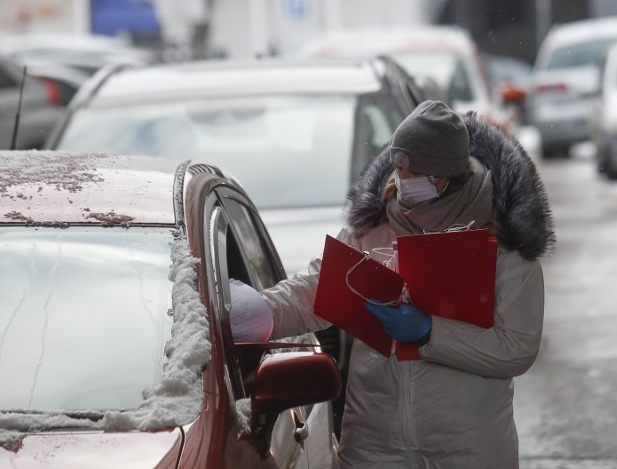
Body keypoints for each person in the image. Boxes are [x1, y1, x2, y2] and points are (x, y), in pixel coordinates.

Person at [236, 100, 555, 468]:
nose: (402, 178)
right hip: (374, 442)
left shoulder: (501, 241)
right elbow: (315, 289)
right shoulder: (374, 226)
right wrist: (262, 311)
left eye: (414, 169)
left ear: (447, 175)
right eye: (398, 165)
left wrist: (429, 334)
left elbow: (517, 347)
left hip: (468, 447)